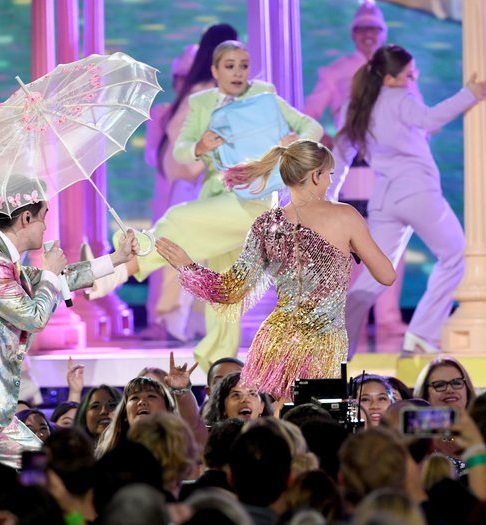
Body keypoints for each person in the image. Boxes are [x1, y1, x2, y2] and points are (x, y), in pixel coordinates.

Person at [90, 40, 324, 372]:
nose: (238, 72)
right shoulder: (201, 103)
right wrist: (199, 146)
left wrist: (292, 142)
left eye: (243, 65)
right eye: (229, 66)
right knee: (222, 288)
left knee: (177, 218)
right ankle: (219, 365)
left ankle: (128, 265)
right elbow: (181, 151)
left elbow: (312, 128)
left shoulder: (265, 96)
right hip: (215, 195)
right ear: (214, 71)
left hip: (253, 201)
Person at [0, 191, 140, 469]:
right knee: (41, 466)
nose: (45, 226)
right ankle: (74, 514)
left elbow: (60, 279)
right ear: (26, 217)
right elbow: (33, 317)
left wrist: (117, 258)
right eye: (44, 217)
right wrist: (51, 275)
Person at [157, 140, 395, 399]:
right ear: (316, 176)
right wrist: (353, 246)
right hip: (322, 346)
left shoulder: (266, 224)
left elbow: (229, 290)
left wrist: (187, 266)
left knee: (272, 426)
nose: (330, 182)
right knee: (315, 424)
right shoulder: (345, 216)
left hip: (273, 344)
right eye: (330, 175)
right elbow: (386, 274)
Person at [337, 44, 486, 357]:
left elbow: (341, 156)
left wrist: (326, 199)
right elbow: (430, 119)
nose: (414, 77)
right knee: (456, 255)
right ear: (390, 78)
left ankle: (337, 346)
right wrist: (470, 93)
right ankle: (421, 333)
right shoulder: (400, 98)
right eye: (410, 73)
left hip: (384, 199)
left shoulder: (356, 107)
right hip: (416, 191)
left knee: (374, 275)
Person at [304, 2, 411, 336]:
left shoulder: (398, 73)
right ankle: (352, 318)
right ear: (354, 34)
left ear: (383, 34)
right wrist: (332, 142)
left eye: (375, 31)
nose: (369, 36)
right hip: (353, 170)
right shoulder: (337, 71)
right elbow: (309, 113)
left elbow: (416, 115)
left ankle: (389, 319)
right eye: (363, 30)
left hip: (388, 169)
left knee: (391, 243)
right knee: (350, 242)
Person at [136, 26, 238, 342]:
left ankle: (195, 324)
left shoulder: (221, 93)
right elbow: (178, 144)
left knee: (212, 254)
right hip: (194, 183)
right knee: (176, 250)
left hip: (214, 185)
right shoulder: (202, 93)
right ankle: (169, 321)